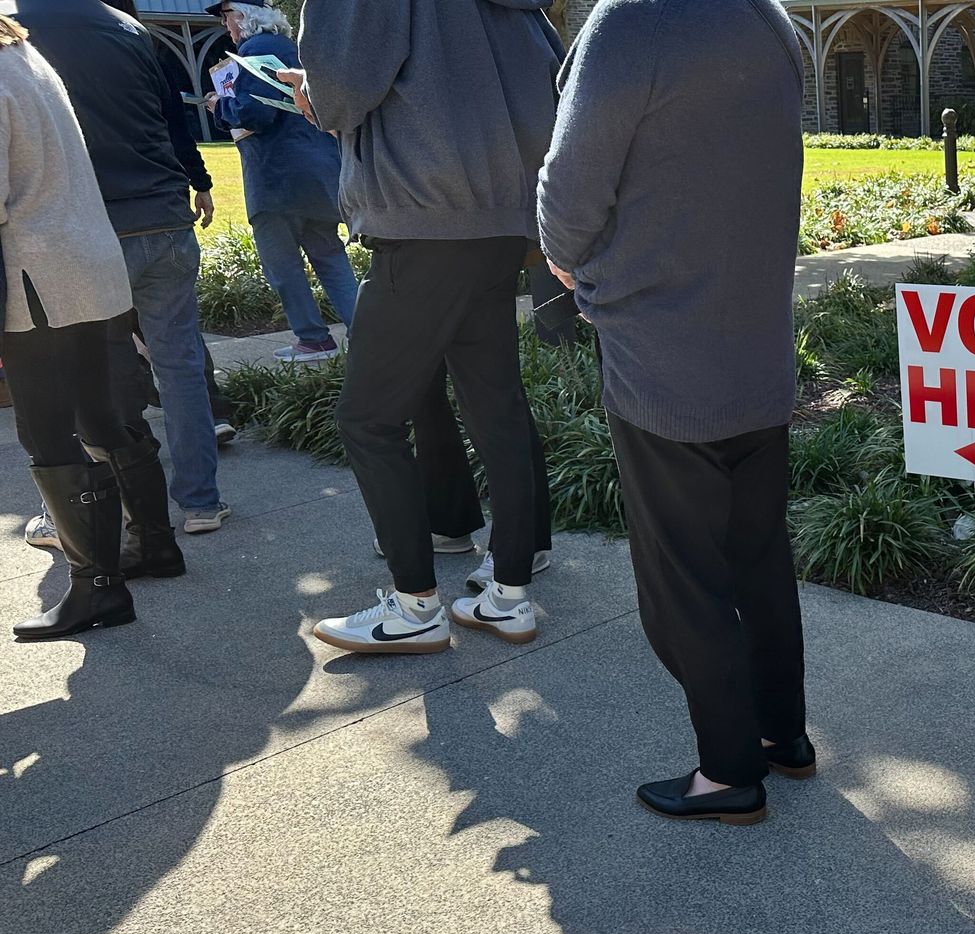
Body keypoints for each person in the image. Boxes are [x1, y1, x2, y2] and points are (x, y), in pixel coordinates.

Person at [538, 0, 810, 826]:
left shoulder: (632, 23)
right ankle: (780, 737)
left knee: (682, 578)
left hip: (663, 347)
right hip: (757, 342)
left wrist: (563, 258)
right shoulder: (768, 19)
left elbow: (571, 185)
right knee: (758, 555)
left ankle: (726, 772)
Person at [288, 0, 559, 655]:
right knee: (494, 404)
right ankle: (509, 598)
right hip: (500, 215)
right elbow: (555, 78)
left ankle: (414, 608)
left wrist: (313, 97)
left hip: (424, 212)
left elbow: (341, 87)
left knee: (367, 418)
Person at [12, 0, 230, 537]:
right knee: (179, 364)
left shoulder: (19, 36)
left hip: (89, 227)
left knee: (102, 381)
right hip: (162, 214)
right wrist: (199, 180)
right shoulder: (129, 27)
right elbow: (172, 114)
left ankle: (128, 510)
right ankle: (202, 501)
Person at [0, 14, 183, 640]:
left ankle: (97, 588)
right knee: (100, 416)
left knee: (46, 431)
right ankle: (155, 545)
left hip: (36, 273)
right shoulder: (23, 54)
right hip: (85, 257)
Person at [207, 1, 357, 364]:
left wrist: (218, 105)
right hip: (319, 170)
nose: (226, 27)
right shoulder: (296, 49)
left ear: (243, 17)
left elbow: (256, 112)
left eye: (227, 18)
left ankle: (313, 338)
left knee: (281, 263)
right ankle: (369, 332)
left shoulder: (252, 52)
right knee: (330, 256)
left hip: (275, 177)